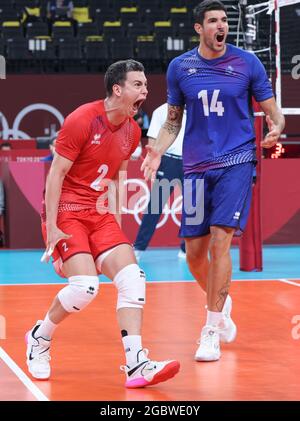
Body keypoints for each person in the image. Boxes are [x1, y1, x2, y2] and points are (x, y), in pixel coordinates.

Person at [141, 0, 285, 362]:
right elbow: (173, 121)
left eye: (224, 21)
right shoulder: (180, 68)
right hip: (195, 167)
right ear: (199, 28)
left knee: (222, 243)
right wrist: (156, 149)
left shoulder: (247, 63)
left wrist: (276, 129)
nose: (221, 26)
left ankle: (210, 330)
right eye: (214, 21)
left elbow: (274, 114)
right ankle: (222, 301)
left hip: (237, 160)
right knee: (194, 255)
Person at [25, 59, 180, 387]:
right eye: (138, 85)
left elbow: (118, 180)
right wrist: (52, 228)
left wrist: (116, 225)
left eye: (146, 86)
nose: (145, 91)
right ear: (117, 89)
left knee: (133, 279)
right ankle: (39, 337)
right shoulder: (82, 119)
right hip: (67, 211)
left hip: (99, 214)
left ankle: (136, 363)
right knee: (85, 288)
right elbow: (56, 175)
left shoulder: (133, 130)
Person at [134, 102, 186, 260]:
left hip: (192, 161)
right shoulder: (160, 111)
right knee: (155, 205)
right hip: (168, 161)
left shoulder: (197, 109)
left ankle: (186, 249)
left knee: (193, 207)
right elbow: (152, 141)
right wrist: (151, 161)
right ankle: (139, 248)